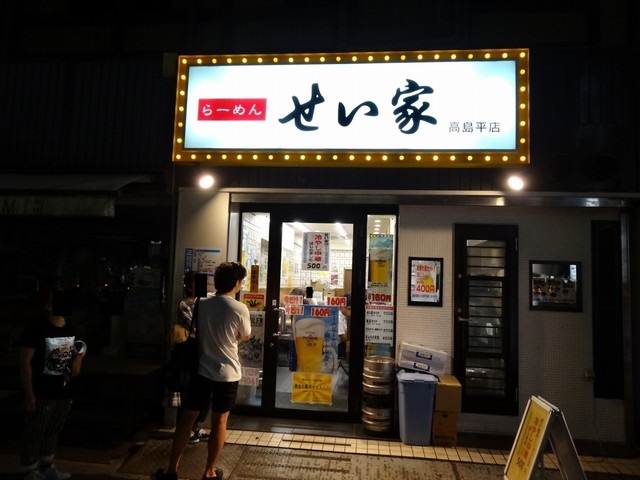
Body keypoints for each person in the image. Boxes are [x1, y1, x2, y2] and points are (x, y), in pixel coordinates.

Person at [154, 261, 251, 480]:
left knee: (187, 418)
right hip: (228, 373)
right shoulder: (239, 308)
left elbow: (196, 330)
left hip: (202, 370)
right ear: (237, 282)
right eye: (241, 281)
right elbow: (245, 334)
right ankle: (209, 472)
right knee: (220, 421)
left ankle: (172, 470)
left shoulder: (201, 303)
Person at [19, 288, 87, 480]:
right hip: (42, 388)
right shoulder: (36, 328)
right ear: (48, 306)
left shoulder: (71, 326)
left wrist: (78, 358)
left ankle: (47, 466)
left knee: (54, 428)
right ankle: (30, 469)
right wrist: (29, 393)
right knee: (36, 429)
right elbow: (25, 361)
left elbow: (81, 345)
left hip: (64, 388)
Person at [174, 271, 210, 445]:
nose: (204, 286)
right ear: (189, 287)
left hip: (203, 351)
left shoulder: (207, 302)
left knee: (201, 390)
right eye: (198, 283)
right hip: (188, 352)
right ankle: (184, 429)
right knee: (187, 390)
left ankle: (195, 426)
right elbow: (194, 326)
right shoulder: (185, 304)